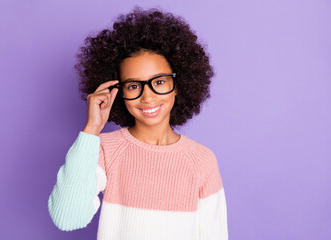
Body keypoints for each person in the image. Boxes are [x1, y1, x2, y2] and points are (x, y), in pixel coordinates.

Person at [48, 6, 228, 240]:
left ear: (179, 84)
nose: (148, 96)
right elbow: (67, 218)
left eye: (159, 82)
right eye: (133, 86)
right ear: (118, 91)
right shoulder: (103, 149)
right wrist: (91, 130)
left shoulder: (201, 160)